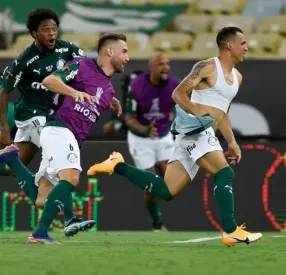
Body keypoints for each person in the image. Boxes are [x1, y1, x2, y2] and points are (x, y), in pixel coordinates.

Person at [87, 27, 263, 246]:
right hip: (194, 131)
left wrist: (233, 142)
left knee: (167, 191)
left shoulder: (237, 77)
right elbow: (177, 93)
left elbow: (223, 112)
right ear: (229, 45)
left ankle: (117, 166)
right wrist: (197, 112)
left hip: (203, 133)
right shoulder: (208, 67)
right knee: (224, 173)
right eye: (243, 43)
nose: (247, 47)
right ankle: (231, 230)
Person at [0, 8, 96, 237]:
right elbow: (2, 92)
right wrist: (4, 129)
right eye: (46, 30)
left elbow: (87, 73)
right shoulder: (24, 61)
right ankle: (70, 219)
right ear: (33, 33)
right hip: (32, 115)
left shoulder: (68, 50)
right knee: (60, 159)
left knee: (11, 167)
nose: (51, 34)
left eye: (54, 29)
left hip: (50, 115)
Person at [0, 33, 128, 244]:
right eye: (124, 51)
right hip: (59, 129)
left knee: (43, 199)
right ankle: (40, 233)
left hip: (71, 138)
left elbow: (96, 88)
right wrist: (73, 92)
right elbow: (50, 80)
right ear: (110, 51)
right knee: (72, 177)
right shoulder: (81, 65)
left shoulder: (108, 88)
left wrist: (110, 100)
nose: (127, 57)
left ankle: (13, 160)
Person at [124, 51, 178, 231]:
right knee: (152, 182)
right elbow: (129, 118)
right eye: (162, 64)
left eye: (168, 64)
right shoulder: (137, 86)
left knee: (170, 180)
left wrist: (174, 116)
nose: (166, 68)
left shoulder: (173, 84)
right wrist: (145, 130)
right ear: (151, 67)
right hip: (141, 138)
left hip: (163, 135)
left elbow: (181, 106)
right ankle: (156, 222)